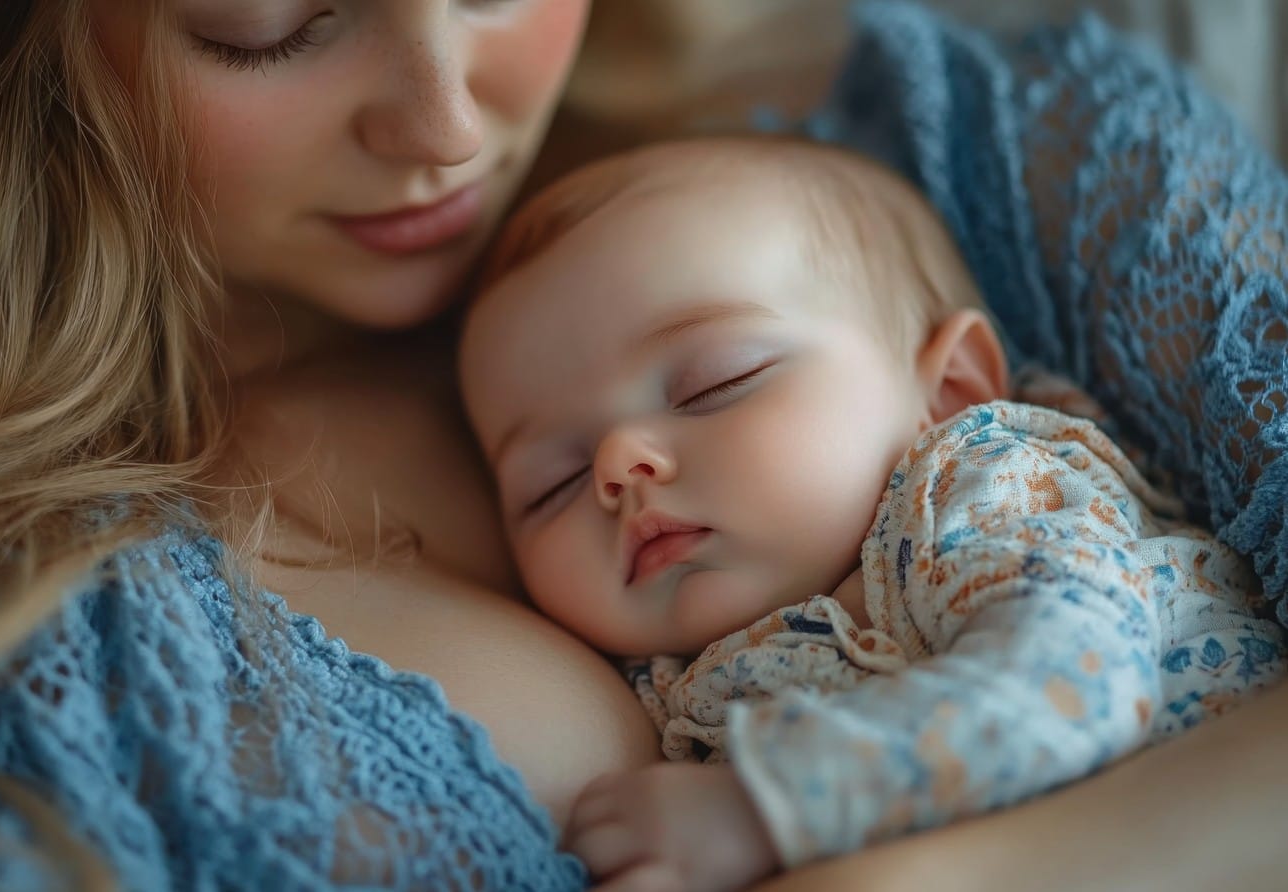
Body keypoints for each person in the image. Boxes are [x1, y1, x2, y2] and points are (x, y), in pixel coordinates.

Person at [0, 0, 1284, 889]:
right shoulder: (24, 621)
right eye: (267, 22)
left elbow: (1069, 672)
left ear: (951, 384)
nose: (443, 130)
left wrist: (845, 855)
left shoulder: (983, 448)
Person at [458, 135, 1287, 891]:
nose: (616, 468)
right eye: (551, 483)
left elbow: (1072, 688)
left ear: (948, 392)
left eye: (714, 383)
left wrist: (761, 807)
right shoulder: (659, 690)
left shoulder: (982, 490)